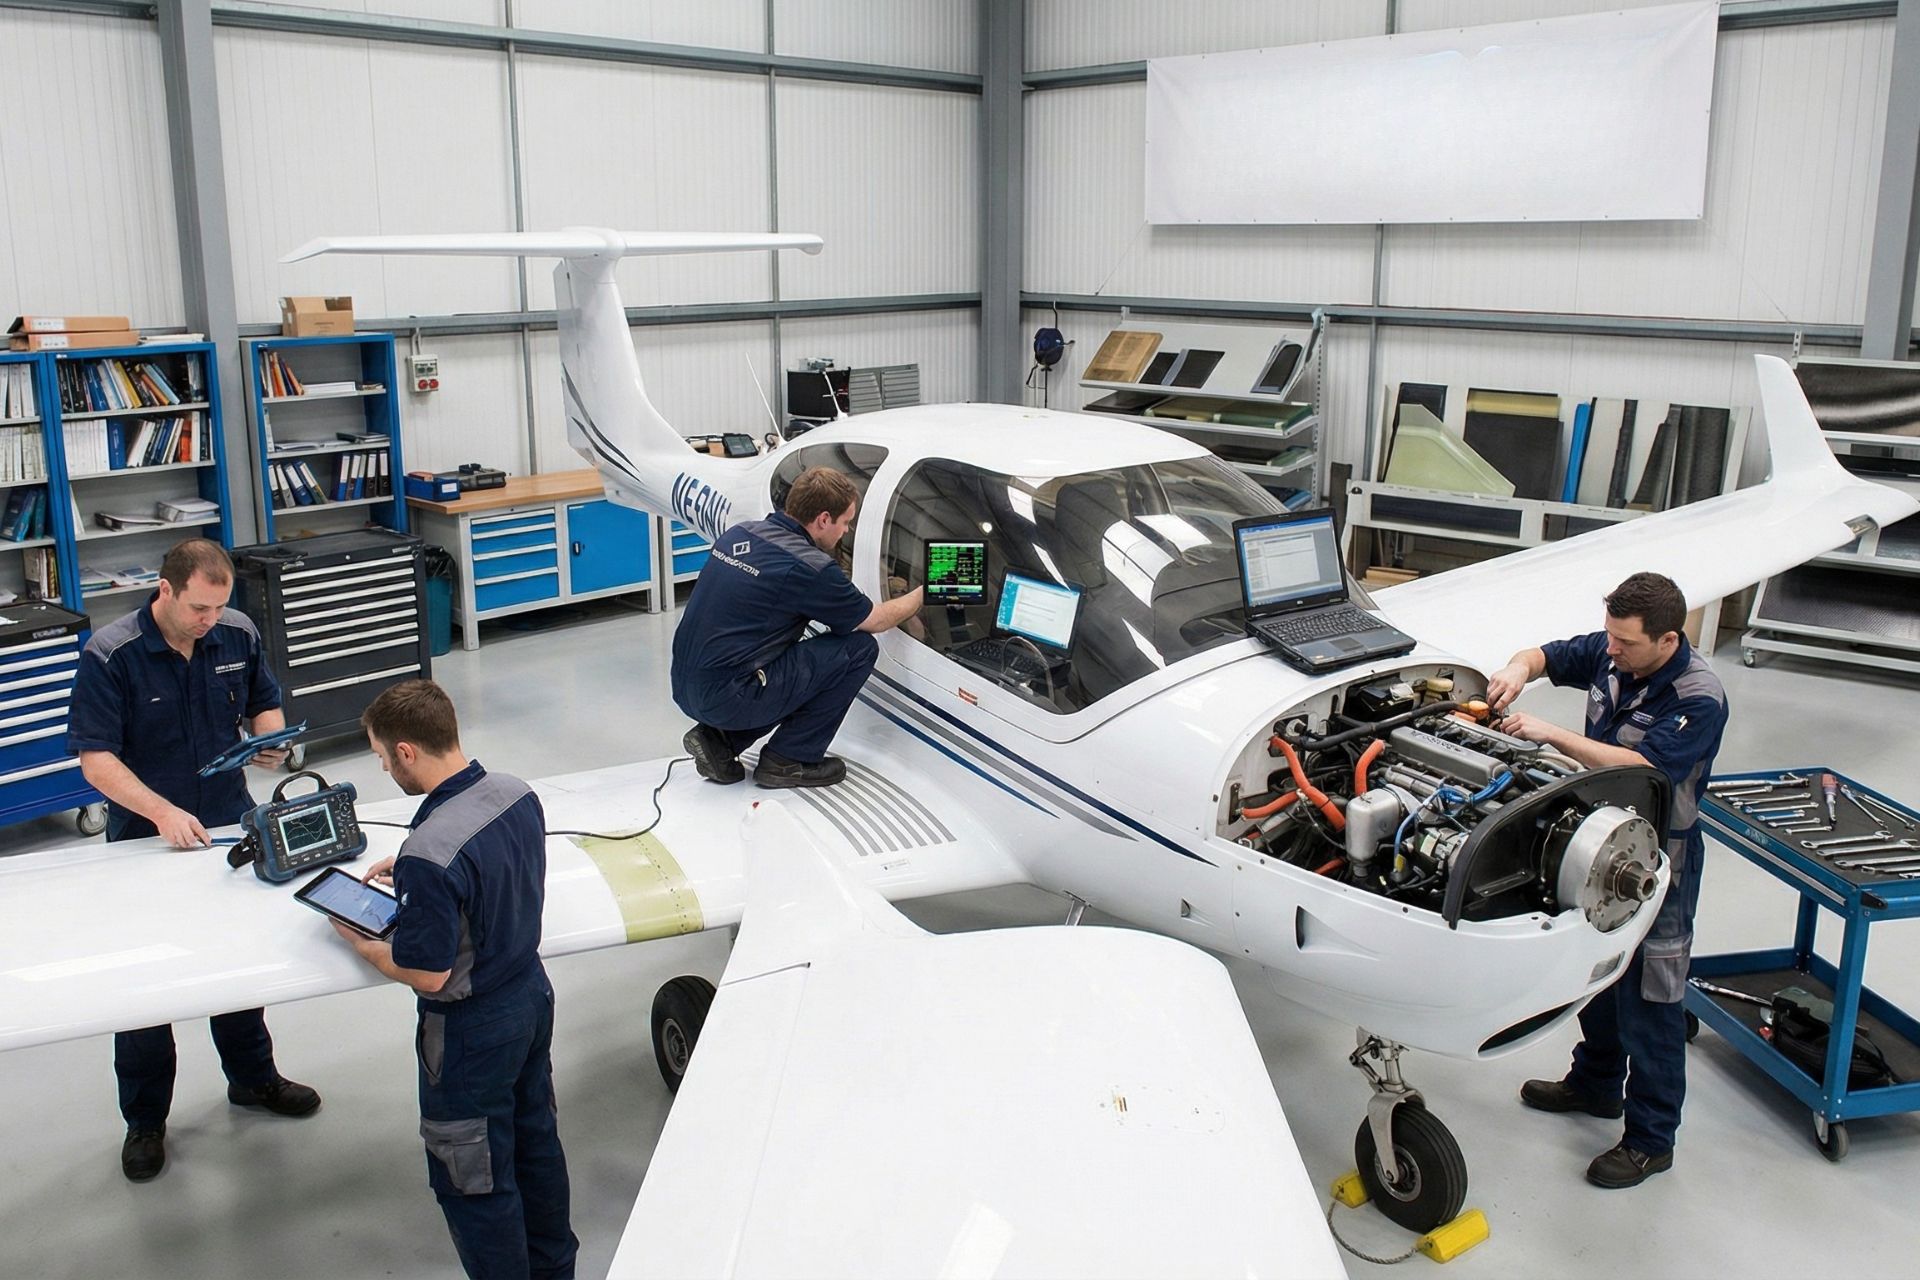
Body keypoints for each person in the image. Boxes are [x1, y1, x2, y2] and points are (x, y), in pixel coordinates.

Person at [67, 537, 320, 1183]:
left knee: (236, 965)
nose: (210, 620)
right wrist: (159, 813)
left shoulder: (234, 632)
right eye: (199, 608)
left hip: (227, 825)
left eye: (218, 607)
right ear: (166, 590)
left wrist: (270, 742)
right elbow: (97, 759)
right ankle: (146, 1121)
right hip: (144, 839)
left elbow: (265, 702)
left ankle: (253, 1080)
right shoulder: (111, 655)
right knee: (148, 988)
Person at [1485, 571, 1728, 1190]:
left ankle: (1652, 1140)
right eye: (1609, 636)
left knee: (1652, 997)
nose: (1610, 650)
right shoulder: (1613, 648)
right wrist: (1518, 668)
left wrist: (1552, 733)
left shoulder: (1700, 696)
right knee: (1596, 972)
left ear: (1667, 639)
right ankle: (1595, 1085)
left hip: (1657, 859)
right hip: (1597, 845)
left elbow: (1647, 767)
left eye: (1624, 642)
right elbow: (1546, 655)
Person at [333, 679, 577, 1280]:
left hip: (471, 1032)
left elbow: (426, 970)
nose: (384, 766)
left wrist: (361, 943)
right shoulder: (517, 794)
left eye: (382, 756)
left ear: (407, 751)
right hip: (531, 995)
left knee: (474, 1176)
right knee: (535, 1142)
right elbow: (487, 862)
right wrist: (417, 870)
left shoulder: (430, 852)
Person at [672, 466, 923, 789]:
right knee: (858, 649)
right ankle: (789, 759)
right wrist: (920, 595)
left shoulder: (740, 533)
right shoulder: (810, 567)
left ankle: (720, 742)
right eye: (845, 522)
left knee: (786, 658)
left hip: (686, 686)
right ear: (822, 520)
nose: (846, 532)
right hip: (728, 697)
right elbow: (874, 620)